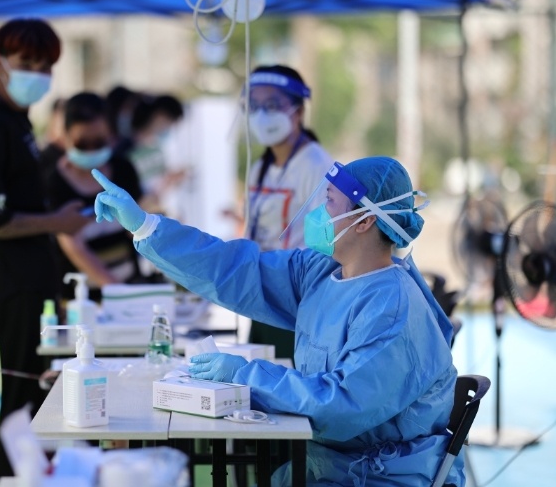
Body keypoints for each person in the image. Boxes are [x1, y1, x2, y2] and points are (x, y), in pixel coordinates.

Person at [91, 156, 464, 487]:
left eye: (330, 202)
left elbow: (342, 405)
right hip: (328, 465)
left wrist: (245, 375)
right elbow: (237, 270)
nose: (319, 213)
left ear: (364, 221)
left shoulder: (392, 309)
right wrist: (147, 227)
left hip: (381, 476)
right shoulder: (321, 271)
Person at [0, 18, 89, 487]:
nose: (35, 72)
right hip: (11, 286)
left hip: (30, 284)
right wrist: (56, 222)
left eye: (43, 64)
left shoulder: (16, 123)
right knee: (23, 407)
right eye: (25, 62)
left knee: (34, 401)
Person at [243, 65, 334, 361]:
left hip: (299, 302)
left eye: (272, 105)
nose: (261, 115)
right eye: (254, 106)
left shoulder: (317, 167)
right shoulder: (260, 167)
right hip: (264, 297)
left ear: (299, 111)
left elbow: (328, 244)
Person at [44, 92, 143, 300]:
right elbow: (73, 246)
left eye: (99, 142)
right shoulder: (53, 184)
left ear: (111, 135)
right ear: (66, 137)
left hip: (130, 284)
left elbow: (138, 225)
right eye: (82, 143)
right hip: (81, 300)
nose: (90, 150)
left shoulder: (123, 170)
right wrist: (117, 291)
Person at [115, 94, 185, 212]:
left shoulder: (156, 148)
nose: (168, 128)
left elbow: (153, 192)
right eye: (169, 122)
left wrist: (169, 181)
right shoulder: (125, 146)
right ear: (159, 115)